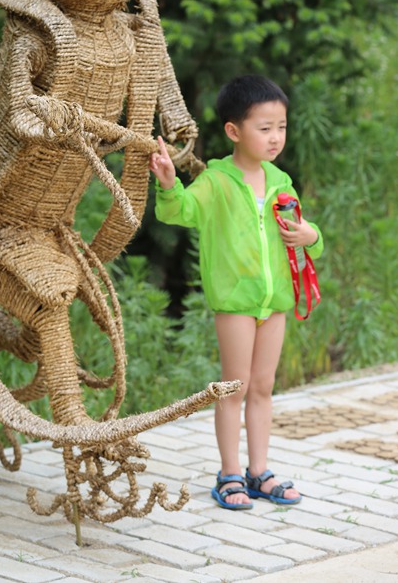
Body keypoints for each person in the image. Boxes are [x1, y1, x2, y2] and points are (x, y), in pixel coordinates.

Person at [149, 74, 323, 509]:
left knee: (263, 387)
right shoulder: (217, 180)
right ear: (234, 131)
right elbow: (181, 211)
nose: (275, 137)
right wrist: (169, 184)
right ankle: (229, 474)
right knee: (234, 387)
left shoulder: (281, 181)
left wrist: (311, 236)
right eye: (264, 128)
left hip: (275, 302)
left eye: (281, 127)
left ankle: (259, 472)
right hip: (235, 303)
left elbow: (304, 235)